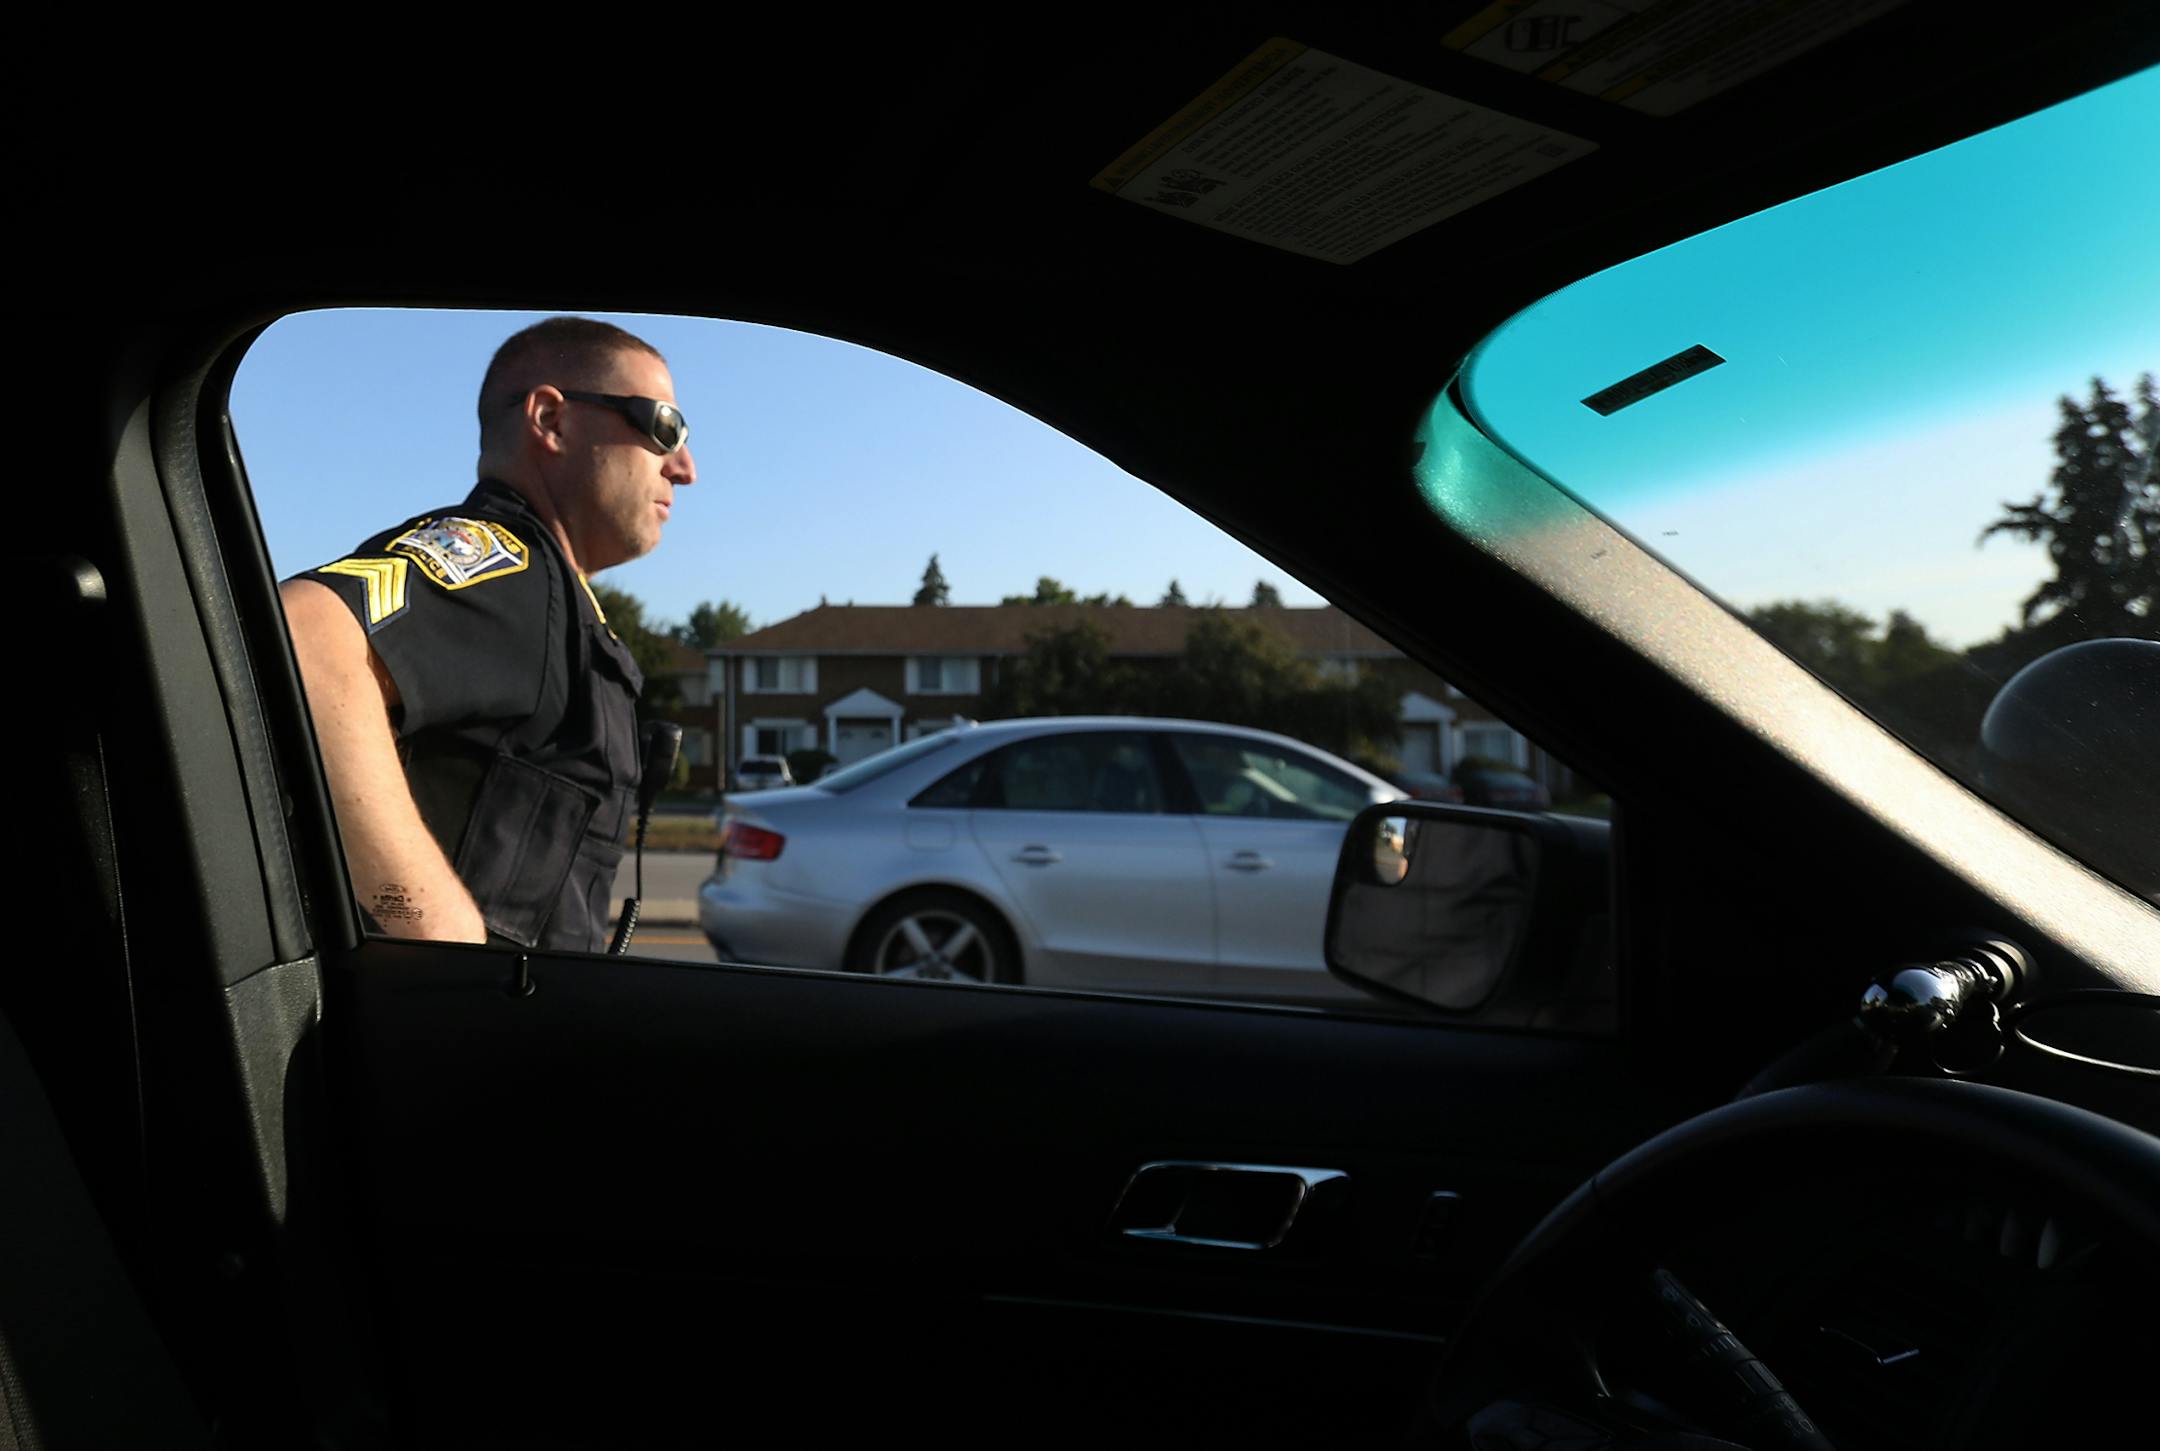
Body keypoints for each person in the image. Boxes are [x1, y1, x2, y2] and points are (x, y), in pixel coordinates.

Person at [280, 317, 697, 949]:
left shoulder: (557, 600)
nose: (684, 467)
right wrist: (431, 924)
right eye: (664, 427)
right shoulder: (508, 569)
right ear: (551, 420)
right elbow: (304, 638)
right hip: (449, 1032)